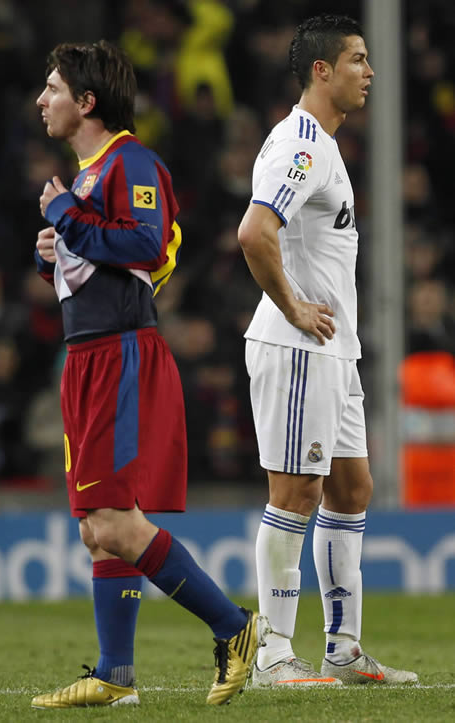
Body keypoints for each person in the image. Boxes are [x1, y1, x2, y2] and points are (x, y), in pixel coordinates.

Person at [31, 39, 269, 709]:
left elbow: (143, 241)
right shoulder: (85, 175)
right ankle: (116, 673)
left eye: (52, 88)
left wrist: (65, 219)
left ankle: (234, 626)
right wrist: (51, 250)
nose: (40, 100)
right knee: (95, 525)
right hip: (85, 357)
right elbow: (97, 257)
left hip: (120, 356)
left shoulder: (131, 161)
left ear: (86, 102)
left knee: (114, 519)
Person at [237, 15, 418, 687]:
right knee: (296, 489)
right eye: (358, 59)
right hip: (298, 345)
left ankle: (343, 647)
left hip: (334, 350)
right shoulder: (301, 146)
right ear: (321, 70)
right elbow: (255, 231)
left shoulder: (326, 147)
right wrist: (291, 306)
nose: (369, 72)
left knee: (351, 487)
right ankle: (273, 653)